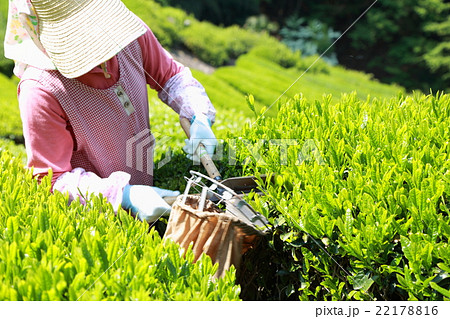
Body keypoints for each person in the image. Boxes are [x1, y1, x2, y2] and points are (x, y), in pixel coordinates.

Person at [4, 0, 218, 223]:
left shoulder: (129, 35)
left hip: (148, 189)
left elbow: (171, 76)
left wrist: (198, 116)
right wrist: (122, 195)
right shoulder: (41, 90)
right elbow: (52, 179)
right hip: (99, 223)